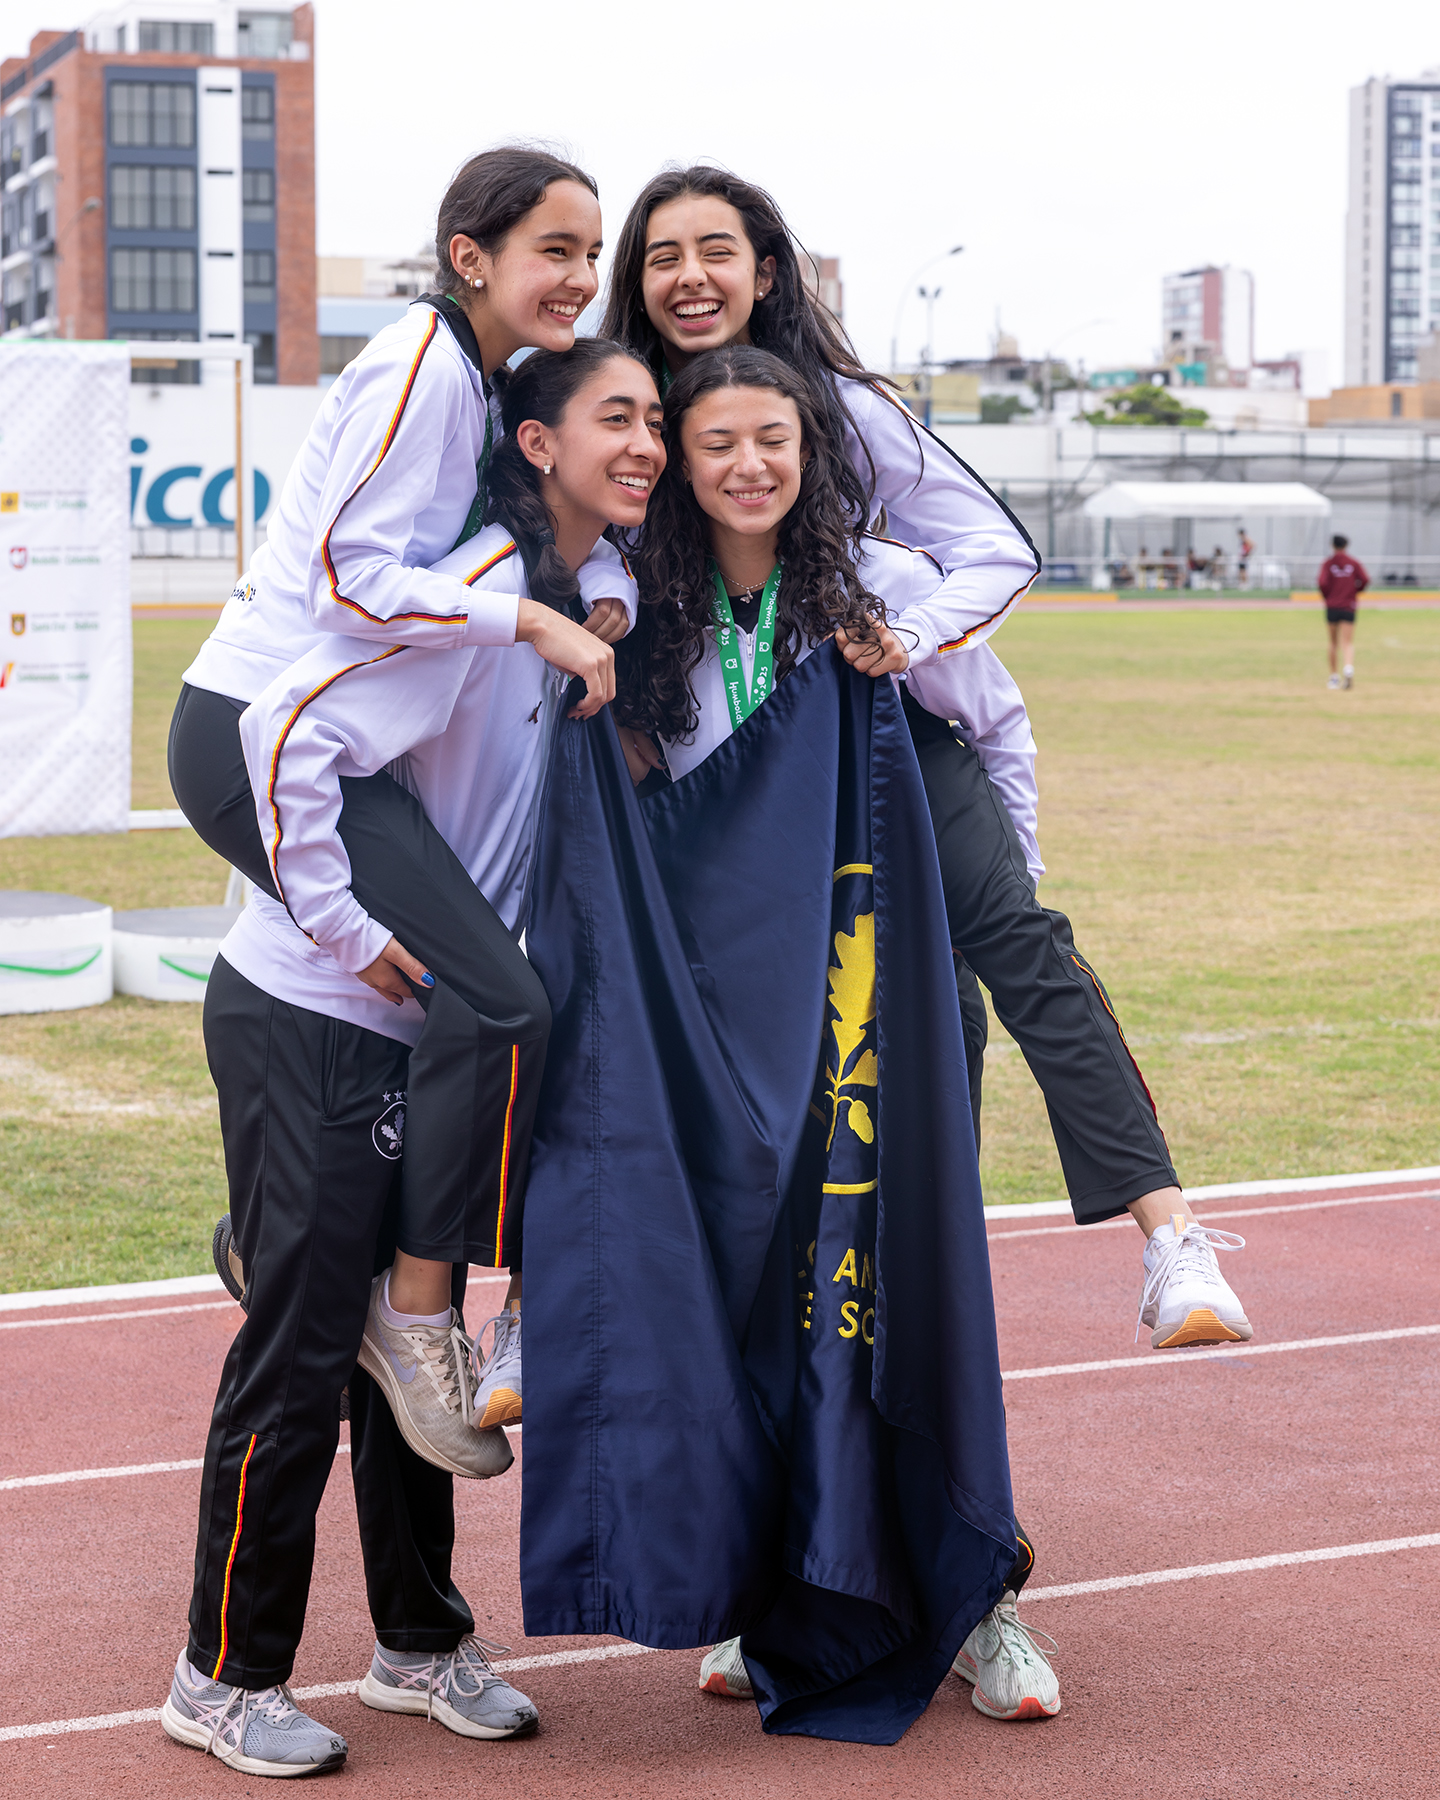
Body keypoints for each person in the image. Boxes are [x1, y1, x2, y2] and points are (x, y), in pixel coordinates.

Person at [602, 165, 1252, 1356]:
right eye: (663, 255)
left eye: (717, 250)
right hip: (740, 815)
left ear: (766, 270)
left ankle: (1167, 1237)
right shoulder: (628, 431)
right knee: (671, 1024)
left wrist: (911, 640)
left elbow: (995, 573)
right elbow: (566, 539)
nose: (691, 276)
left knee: (991, 975)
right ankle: (577, 1311)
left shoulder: (857, 474)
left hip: (889, 762)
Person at [160, 340, 664, 1777]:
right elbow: (282, 732)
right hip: (317, 1011)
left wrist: (607, 603)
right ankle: (222, 1676)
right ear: (534, 442)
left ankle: (418, 1640)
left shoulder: (579, 589)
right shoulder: (472, 596)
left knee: (402, 1355)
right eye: (615, 418)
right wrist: (336, 925)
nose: (645, 443)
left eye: (654, 420)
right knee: (311, 1347)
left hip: (430, 1033)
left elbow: (611, 598)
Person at [519, 344, 1028, 1742]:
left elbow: (994, 742)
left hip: (860, 1003)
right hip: (715, 1023)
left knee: (886, 1277)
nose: (749, 466)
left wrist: (984, 921)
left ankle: (972, 1595)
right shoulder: (644, 611)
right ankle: (777, 1595)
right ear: (681, 465)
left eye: (775, 442)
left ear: (811, 454)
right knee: (748, 1299)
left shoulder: (882, 594)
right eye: (718, 443)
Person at [170, 147, 629, 1469]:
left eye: (591, 254)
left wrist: (594, 593)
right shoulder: (423, 363)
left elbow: (496, 531)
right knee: (501, 1001)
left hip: (322, 737)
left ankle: (274, 1244)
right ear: (471, 256)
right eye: (555, 249)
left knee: (478, 1003)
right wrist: (530, 621)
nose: (580, 277)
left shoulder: (476, 381)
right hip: (250, 731)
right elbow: (345, 576)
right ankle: (413, 1308)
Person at [1317, 533, 1367, 689]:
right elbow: (1365, 579)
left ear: (1332, 545)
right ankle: (1348, 670)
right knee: (1347, 642)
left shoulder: (1328, 563)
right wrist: (1354, 591)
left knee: (1333, 643)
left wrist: (1329, 596)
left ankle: (1333, 677)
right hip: (1348, 606)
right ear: (1346, 545)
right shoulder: (1353, 562)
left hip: (1332, 606)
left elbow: (1322, 583)